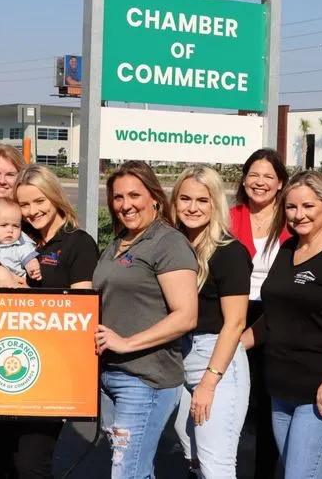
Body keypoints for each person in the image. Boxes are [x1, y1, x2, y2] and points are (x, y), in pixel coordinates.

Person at [0, 163, 100, 477]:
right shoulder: (17, 237)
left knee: (30, 465)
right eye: (24, 204)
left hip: (48, 371)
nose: (32, 211)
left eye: (39, 201)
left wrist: (31, 298)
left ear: (55, 197)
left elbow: (82, 309)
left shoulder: (77, 243)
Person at [241, 170, 322, 479]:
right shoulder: (288, 249)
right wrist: (233, 347)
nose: (299, 215)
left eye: (308, 206)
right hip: (282, 390)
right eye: (291, 207)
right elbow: (274, 316)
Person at [92, 160, 199, 479]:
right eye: (118, 197)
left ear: (154, 197)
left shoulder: (168, 242)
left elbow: (186, 316)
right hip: (110, 375)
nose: (125, 205)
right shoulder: (119, 242)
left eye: (134, 195)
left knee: (126, 472)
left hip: (145, 379)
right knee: (134, 469)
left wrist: (126, 343)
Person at [170, 165, 251, 479]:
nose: (193, 207)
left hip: (216, 359)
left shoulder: (230, 253)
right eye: (185, 199)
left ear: (215, 204)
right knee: (193, 456)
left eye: (202, 200)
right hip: (178, 356)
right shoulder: (174, 247)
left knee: (216, 465)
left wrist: (208, 383)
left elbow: (235, 323)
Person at [228, 148, 289, 478]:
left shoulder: (292, 216)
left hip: (278, 313)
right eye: (254, 175)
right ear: (243, 180)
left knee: (268, 401)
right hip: (234, 310)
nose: (260, 182)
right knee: (232, 399)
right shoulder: (229, 216)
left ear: (280, 183)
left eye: (268, 176)